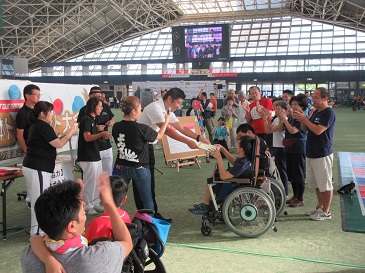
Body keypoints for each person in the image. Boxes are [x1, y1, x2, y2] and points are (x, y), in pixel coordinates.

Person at [21, 173, 133, 273]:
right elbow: (126, 242)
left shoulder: (29, 256)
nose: (85, 213)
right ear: (71, 226)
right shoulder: (99, 257)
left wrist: (48, 260)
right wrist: (109, 204)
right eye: (83, 212)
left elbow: (35, 239)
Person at [138, 87, 210, 222]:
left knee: (149, 184)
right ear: (170, 99)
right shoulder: (155, 108)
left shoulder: (168, 111)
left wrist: (199, 138)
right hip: (139, 148)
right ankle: (146, 216)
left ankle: (153, 214)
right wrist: (187, 141)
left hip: (148, 147)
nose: (180, 106)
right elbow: (168, 131)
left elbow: (181, 127)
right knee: (144, 185)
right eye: (179, 102)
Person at [22, 101, 78, 235]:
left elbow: (54, 141)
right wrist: (70, 132)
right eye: (51, 112)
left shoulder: (38, 126)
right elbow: (58, 143)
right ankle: (37, 233)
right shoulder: (42, 126)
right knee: (40, 201)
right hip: (38, 167)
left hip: (36, 167)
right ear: (42, 114)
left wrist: (66, 136)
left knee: (39, 199)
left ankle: (39, 231)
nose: (53, 115)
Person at [112, 96, 170, 211]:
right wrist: (166, 120)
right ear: (133, 111)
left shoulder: (116, 126)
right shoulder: (141, 128)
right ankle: (149, 225)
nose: (141, 112)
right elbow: (158, 136)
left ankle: (112, 221)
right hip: (139, 167)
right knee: (147, 199)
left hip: (121, 165)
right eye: (140, 109)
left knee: (116, 197)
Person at [293, 87, 336, 220]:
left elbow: (318, 130)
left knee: (325, 184)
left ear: (325, 99)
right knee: (318, 184)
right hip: (311, 152)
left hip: (322, 153)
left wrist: (305, 119)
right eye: (312, 97)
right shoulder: (316, 112)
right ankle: (320, 207)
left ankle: (326, 211)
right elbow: (306, 129)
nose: (313, 100)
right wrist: (303, 118)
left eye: (316, 97)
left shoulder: (329, 113)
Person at [188, 135, 254, 215]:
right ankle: (209, 203)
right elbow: (234, 162)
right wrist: (223, 150)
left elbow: (223, 176)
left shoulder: (242, 164)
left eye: (238, 144)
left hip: (230, 184)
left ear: (242, 149)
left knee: (212, 179)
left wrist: (219, 158)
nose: (236, 146)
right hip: (236, 180)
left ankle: (206, 205)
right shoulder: (245, 160)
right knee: (215, 174)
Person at [78, 96, 112, 215]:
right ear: (93, 107)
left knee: (97, 180)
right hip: (87, 156)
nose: (101, 109)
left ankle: (95, 202)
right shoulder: (86, 119)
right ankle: (88, 205)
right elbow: (87, 137)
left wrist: (100, 132)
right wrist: (101, 134)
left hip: (94, 154)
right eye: (99, 106)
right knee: (90, 181)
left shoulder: (93, 120)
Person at [78, 86, 115, 175]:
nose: (101, 109)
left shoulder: (105, 107)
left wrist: (111, 122)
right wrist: (98, 130)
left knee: (106, 173)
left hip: (104, 144)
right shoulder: (85, 113)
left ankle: (105, 188)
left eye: (99, 96)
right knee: (93, 178)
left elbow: (112, 118)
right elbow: (84, 129)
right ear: (90, 96)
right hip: (92, 148)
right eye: (95, 96)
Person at [279, 94, 307, 207]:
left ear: (302, 106)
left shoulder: (301, 116)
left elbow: (293, 130)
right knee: (292, 173)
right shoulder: (292, 116)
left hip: (298, 146)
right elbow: (283, 128)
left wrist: (284, 119)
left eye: (296, 104)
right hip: (290, 147)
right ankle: (295, 196)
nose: (293, 106)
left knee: (299, 174)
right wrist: (283, 119)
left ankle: (300, 198)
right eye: (292, 104)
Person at [16, 84, 41, 208]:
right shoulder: (22, 114)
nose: (38, 97)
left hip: (40, 149)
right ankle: (30, 200)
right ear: (27, 96)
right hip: (30, 151)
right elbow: (20, 135)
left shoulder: (37, 111)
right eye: (36, 95)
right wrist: (26, 150)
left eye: (39, 95)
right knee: (31, 177)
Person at [85, 175, 131, 242]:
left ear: (101, 197)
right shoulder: (126, 215)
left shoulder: (96, 224)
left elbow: (88, 247)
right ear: (124, 199)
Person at [262, 100, 290, 196]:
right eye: (275, 108)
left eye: (279, 108)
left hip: (281, 148)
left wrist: (267, 120)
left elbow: (279, 128)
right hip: (276, 146)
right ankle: (280, 190)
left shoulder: (284, 119)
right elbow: (268, 130)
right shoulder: (276, 119)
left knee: (282, 171)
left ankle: (285, 192)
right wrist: (265, 119)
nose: (276, 110)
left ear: (285, 111)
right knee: (277, 170)